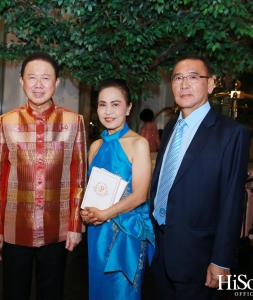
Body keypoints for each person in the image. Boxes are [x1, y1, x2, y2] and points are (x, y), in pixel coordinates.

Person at [149, 55, 250, 299]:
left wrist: (221, 260)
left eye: (193, 77)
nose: (184, 84)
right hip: (160, 248)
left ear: (211, 84)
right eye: (177, 78)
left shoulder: (231, 133)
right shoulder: (171, 127)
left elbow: (232, 201)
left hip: (198, 256)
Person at [0, 52, 87, 300]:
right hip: (14, 226)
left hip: (57, 225)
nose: (39, 84)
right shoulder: (6, 122)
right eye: (32, 77)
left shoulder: (74, 122)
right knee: (14, 292)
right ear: (21, 82)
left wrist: (75, 225)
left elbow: (78, 178)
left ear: (56, 83)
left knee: (52, 293)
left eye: (46, 78)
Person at [81, 79, 155, 299]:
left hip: (126, 232)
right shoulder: (95, 146)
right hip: (97, 231)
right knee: (98, 288)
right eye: (102, 104)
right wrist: (85, 211)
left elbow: (140, 195)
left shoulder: (139, 143)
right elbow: (92, 190)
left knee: (122, 292)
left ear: (129, 107)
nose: (108, 111)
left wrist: (105, 213)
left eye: (115, 104)